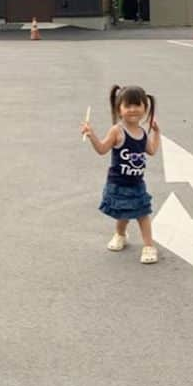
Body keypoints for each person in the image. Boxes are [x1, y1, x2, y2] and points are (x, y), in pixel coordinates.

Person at [81, 84, 161, 264]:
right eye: (128, 106)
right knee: (123, 213)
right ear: (119, 109)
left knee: (142, 213)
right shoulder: (117, 130)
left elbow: (152, 150)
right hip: (118, 182)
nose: (133, 110)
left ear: (145, 108)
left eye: (137, 105)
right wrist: (92, 135)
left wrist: (157, 133)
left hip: (137, 184)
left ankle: (149, 246)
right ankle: (120, 234)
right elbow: (102, 149)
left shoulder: (141, 132)